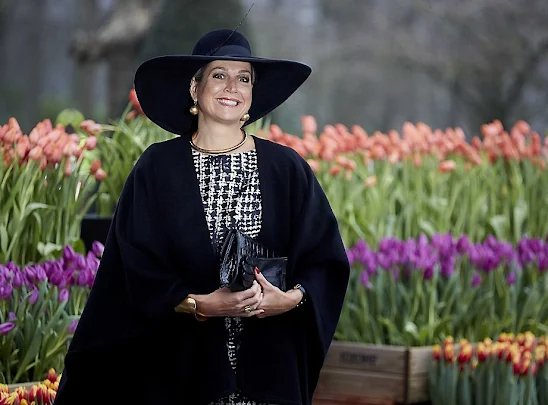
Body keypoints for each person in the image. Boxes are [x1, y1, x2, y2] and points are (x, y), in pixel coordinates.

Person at [53, 29, 350, 405]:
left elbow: (325, 259)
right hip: (180, 373)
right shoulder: (157, 169)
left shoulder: (286, 168)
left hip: (270, 373)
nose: (232, 87)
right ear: (195, 89)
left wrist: (290, 299)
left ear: (252, 97)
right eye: (219, 75)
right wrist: (197, 304)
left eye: (244, 78)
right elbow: (133, 268)